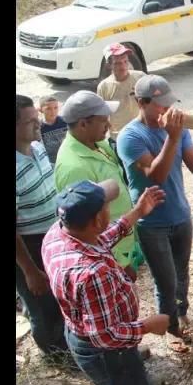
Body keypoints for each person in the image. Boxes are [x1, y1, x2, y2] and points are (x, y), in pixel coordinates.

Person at [42, 179, 169, 385]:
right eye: (106, 205)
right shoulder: (92, 274)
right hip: (107, 352)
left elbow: (100, 239)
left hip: (84, 335)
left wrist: (137, 212)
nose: (110, 207)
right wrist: (148, 326)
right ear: (97, 220)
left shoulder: (58, 233)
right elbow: (105, 335)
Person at [117, 74, 193, 352]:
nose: (167, 110)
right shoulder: (130, 136)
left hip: (180, 215)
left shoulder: (178, 129)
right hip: (152, 223)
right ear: (142, 103)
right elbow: (156, 174)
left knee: (182, 274)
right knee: (166, 281)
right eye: (160, 105)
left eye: (169, 104)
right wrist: (172, 137)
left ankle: (179, 313)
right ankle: (170, 328)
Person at [54, 90, 144, 277]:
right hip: (109, 256)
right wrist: (120, 263)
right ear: (83, 124)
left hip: (122, 239)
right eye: (103, 120)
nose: (108, 125)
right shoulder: (74, 167)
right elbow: (82, 229)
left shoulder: (97, 144)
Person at [16, 94, 68, 359]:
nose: (38, 125)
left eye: (36, 119)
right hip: (29, 247)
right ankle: (55, 355)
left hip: (52, 237)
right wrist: (30, 271)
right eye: (30, 122)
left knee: (59, 298)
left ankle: (67, 345)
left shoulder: (37, 149)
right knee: (41, 304)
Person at [97, 43, 147, 140]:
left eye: (125, 61)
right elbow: (101, 116)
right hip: (119, 138)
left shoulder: (140, 77)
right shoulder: (104, 87)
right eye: (118, 63)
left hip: (142, 134)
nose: (123, 67)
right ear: (109, 65)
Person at [38, 96, 67, 165]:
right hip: (50, 162)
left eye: (55, 108)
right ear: (40, 110)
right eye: (48, 109)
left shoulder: (65, 122)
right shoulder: (39, 127)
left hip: (66, 156)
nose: (53, 111)